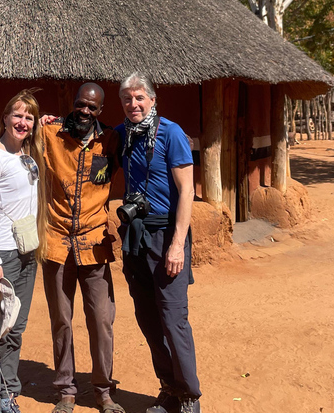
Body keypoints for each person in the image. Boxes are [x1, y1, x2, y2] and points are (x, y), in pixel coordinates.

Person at [115, 74, 201, 413]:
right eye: (126, 99)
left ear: (152, 99)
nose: (133, 104)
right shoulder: (122, 134)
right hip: (135, 236)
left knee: (173, 316)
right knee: (148, 316)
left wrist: (177, 244)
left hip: (166, 235)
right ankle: (169, 388)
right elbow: (85, 134)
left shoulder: (171, 133)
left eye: (139, 98)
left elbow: (187, 192)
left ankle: (189, 396)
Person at [40, 83, 124, 413]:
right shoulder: (51, 134)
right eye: (80, 104)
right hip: (57, 241)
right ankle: (66, 390)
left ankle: (103, 389)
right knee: (61, 319)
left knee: (101, 320)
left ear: (101, 111)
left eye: (92, 107)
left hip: (94, 243)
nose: (85, 111)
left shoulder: (110, 141)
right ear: (72, 105)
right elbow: (16, 128)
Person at [0, 90, 49, 413]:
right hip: (3, 255)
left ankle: (8, 394)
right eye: (17, 115)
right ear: (4, 118)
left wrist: (45, 124)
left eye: (28, 117)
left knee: (16, 327)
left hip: (28, 252)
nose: (22, 122)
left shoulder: (27, 157)